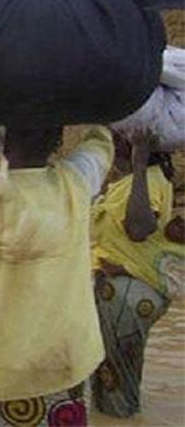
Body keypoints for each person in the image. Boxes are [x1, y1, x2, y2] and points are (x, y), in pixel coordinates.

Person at [0, 125, 114, 426]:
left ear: (0, 138)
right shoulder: (76, 181)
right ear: (57, 140)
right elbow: (101, 143)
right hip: (63, 364)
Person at [90, 130, 184, 418]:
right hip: (125, 291)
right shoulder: (132, 182)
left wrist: (140, 164)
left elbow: (138, 228)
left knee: (116, 389)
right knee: (115, 378)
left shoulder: (149, 180)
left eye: (118, 138)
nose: (113, 143)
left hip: (127, 295)